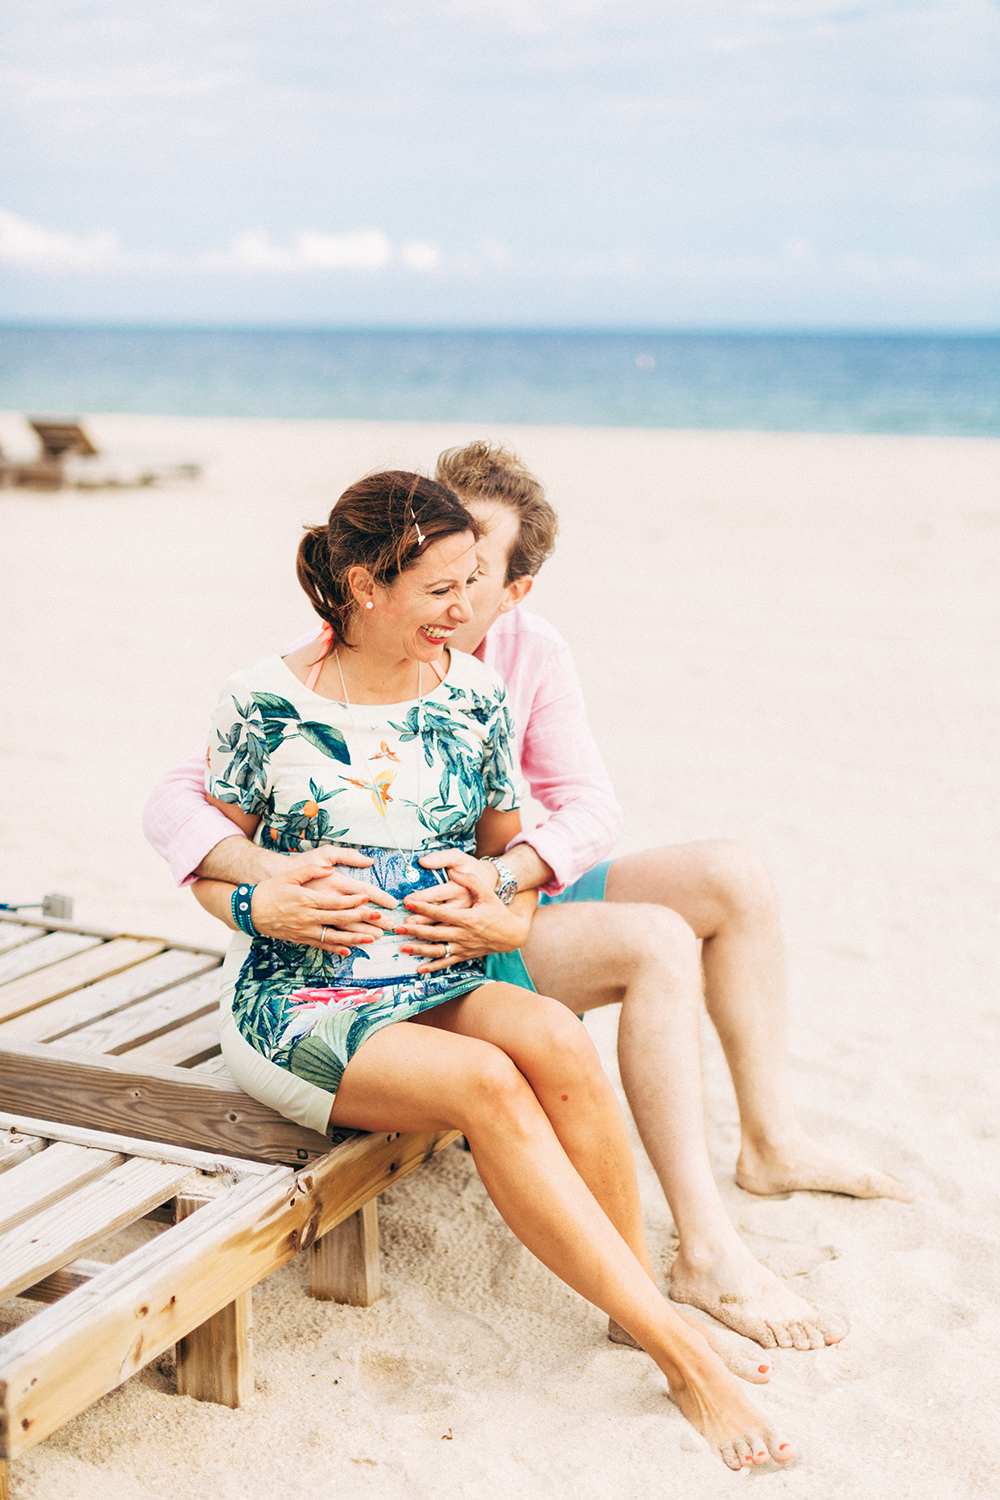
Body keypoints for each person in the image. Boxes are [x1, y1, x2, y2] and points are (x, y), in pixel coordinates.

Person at [145, 442, 911, 1356]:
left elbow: (581, 809)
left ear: (513, 589)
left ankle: (755, 1166)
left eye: (475, 572)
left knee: (724, 881)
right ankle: (687, 1266)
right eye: (440, 571)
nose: (457, 593)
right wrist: (256, 888)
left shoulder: (504, 670)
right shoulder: (322, 662)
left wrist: (512, 884)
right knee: (640, 955)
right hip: (356, 950)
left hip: (478, 901)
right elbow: (182, 803)